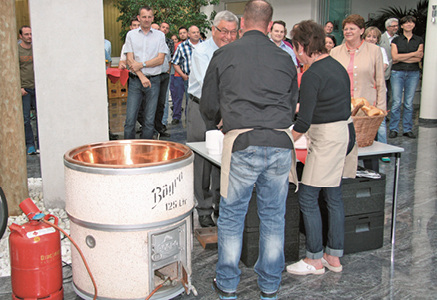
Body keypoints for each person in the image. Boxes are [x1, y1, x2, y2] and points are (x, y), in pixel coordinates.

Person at [200, 1, 299, 299]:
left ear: (243, 23)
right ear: (270, 26)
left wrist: (220, 120)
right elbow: (293, 100)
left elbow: (208, 104)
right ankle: (269, 285)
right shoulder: (285, 58)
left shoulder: (224, 54)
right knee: (273, 216)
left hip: (242, 142)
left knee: (232, 216)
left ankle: (228, 284)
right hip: (280, 144)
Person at [285, 20, 357, 276]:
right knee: (334, 196)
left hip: (327, 139)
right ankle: (333, 256)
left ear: (302, 46)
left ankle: (314, 259)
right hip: (343, 134)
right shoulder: (336, 66)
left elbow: (303, 122)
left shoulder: (313, 73)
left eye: (295, 47)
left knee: (307, 196)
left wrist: (285, 140)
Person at [187, 11, 239, 227]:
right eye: (223, 31)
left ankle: (220, 204)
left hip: (227, 109)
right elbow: (209, 85)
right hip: (202, 108)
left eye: (233, 32)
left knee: (223, 158)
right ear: (213, 30)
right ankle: (204, 209)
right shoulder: (202, 51)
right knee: (203, 160)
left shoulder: (237, 51)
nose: (227, 36)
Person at [330, 14, 386, 170]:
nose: (348, 31)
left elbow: (380, 81)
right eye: (346, 28)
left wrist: (380, 108)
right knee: (344, 147)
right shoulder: (335, 52)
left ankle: (372, 180)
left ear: (361, 30)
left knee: (368, 148)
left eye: (352, 28)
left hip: (366, 109)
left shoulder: (375, 51)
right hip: (342, 108)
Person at [123, 6, 168, 139]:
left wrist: (142, 64)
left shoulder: (160, 36)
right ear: (139, 18)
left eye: (149, 17)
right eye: (144, 17)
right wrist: (142, 76)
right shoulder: (131, 35)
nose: (147, 20)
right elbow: (130, 60)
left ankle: (146, 154)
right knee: (130, 121)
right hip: (135, 81)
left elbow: (160, 59)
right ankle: (128, 152)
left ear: (153, 18)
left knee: (149, 121)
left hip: (154, 81)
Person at [389, 15, 423, 139]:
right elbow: (395, 58)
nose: (409, 25)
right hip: (397, 72)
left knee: (409, 103)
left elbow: (419, 58)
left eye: (411, 23)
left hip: (413, 73)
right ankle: (393, 129)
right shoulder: (396, 40)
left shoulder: (419, 40)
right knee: (396, 102)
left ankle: (407, 129)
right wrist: (413, 55)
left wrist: (403, 57)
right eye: (406, 23)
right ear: (402, 26)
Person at [171, 25, 202, 124]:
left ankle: (200, 122)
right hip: (188, 78)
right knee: (190, 102)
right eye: (194, 32)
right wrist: (183, 75)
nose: (196, 34)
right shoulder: (182, 46)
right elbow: (175, 63)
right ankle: (190, 123)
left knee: (202, 102)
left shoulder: (205, 45)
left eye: (198, 32)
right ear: (189, 34)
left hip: (202, 79)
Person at [18, 25, 38, 155]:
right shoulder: (17, 51)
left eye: (30, 34)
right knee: (26, 119)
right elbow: (14, 69)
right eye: (26, 34)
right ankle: (30, 145)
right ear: (20, 36)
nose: (29, 37)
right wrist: (19, 87)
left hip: (37, 88)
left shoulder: (36, 49)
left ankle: (41, 144)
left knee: (40, 118)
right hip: (25, 89)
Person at [154, 22, 175, 138]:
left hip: (164, 75)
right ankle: (151, 127)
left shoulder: (167, 43)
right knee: (152, 103)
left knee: (162, 102)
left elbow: (169, 58)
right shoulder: (151, 43)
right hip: (153, 75)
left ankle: (160, 126)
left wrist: (168, 71)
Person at [169, 26, 188, 125]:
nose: (182, 35)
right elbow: (173, 61)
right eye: (180, 33)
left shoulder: (191, 45)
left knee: (190, 98)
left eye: (184, 32)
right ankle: (176, 116)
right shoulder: (177, 45)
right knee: (177, 98)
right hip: (178, 75)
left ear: (188, 33)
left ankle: (188, 117)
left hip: (189, 76)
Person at [379, 18, 399, 109]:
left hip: (395, 69)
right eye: (393, 26)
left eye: (397, 26)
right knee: (383, 93)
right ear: (387, 27)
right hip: (384, 70)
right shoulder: (380, 38)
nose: (396, 28)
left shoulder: (398, 38)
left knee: (391, 93)